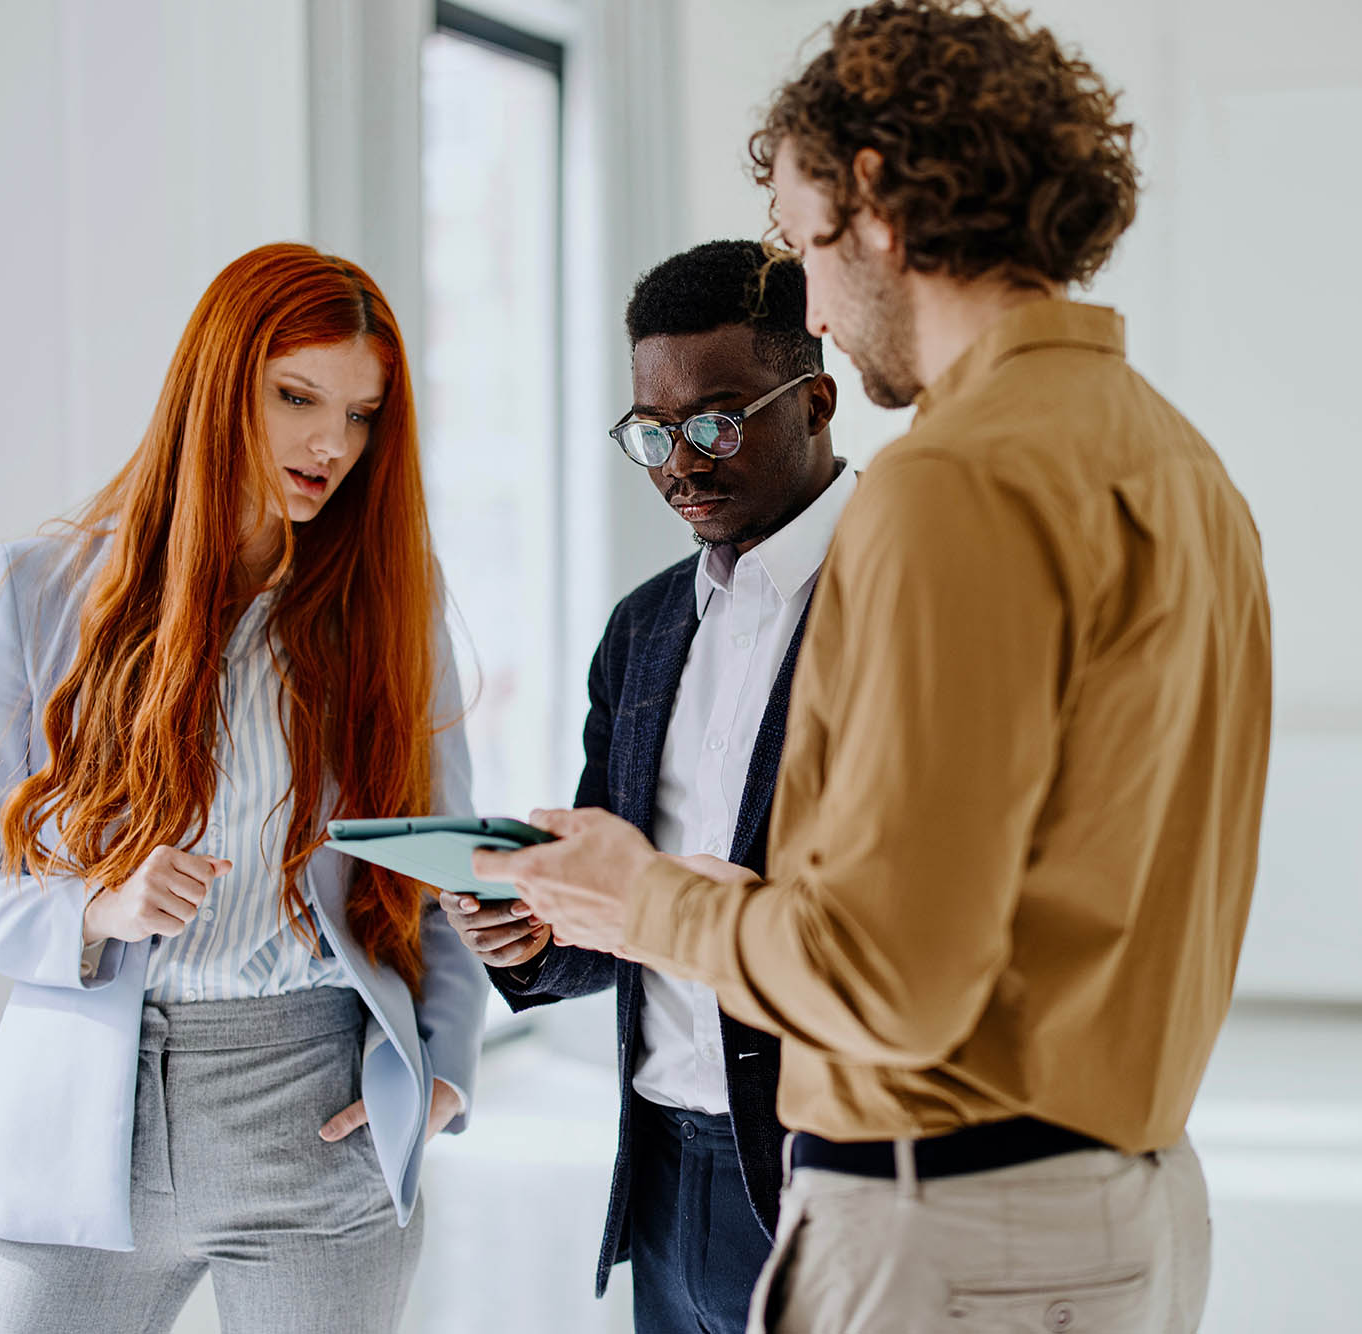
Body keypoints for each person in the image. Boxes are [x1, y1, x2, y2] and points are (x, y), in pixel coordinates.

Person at [471, 3, 1274, 1331]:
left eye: (805, 242)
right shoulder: (1185, 469)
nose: (820, 308)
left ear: (884, 209)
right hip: (1128, 1214)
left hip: (941, 1228)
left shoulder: (950, 482)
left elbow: (894, 975)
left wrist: (642, 894)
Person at [0, 242, 489, 1333]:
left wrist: (446, 1067)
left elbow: (439, 860)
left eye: (363, 415)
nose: (331, 443)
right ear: (217, 381)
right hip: (86, 1121)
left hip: (316, 1109)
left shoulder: (387, 611)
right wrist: (97, 906)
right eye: (296, 397)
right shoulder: (39, 597)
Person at [438, 239, 853, 1334]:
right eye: (651, 431)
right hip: (662, 1161)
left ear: (814, 401)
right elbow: (618, 901)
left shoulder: (898, 601)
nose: (680, 461)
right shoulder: (645, 625)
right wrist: (529, 932)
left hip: (828, 1165)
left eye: (714, 421)